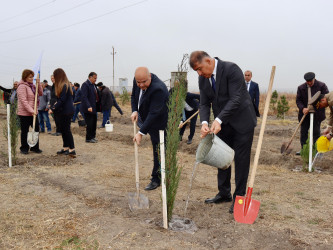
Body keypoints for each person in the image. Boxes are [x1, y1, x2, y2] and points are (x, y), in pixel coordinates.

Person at [189, 51, 257, 214]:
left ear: (208, 61)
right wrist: (205, 122)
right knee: (221, 157)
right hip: (223, 123)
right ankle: (224, 193)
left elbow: (236, 99)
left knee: (240, 160)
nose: (199, 73)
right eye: (196, 71)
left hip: (242, 122)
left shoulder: (231, 69)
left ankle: (239, 198)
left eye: (199, 69)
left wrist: (218, 120)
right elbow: (204, 103)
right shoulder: (203, 78)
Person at [131, 67, 169, 190]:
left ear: (150, 77)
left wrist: (141, 133)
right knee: (157, 150)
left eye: (144, 82)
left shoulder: (159, 89)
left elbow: (154, 113)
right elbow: (134, 96)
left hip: (161, 122)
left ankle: (157, 179)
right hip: (149, 118)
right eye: (138, 82)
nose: (141, 85)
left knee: (160, 150)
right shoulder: (137, 80)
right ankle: (159, 175)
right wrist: (135, 110)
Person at [296, 72, 329, 155]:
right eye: (307, 81)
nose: (309, 83)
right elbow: (298, 100)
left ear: (314, 79)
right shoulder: (301, 88)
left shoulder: (321, 86)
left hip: (317, 113)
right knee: (303, 132)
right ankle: (304, 149)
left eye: (310, 81)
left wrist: (315, 106)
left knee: (316, 132)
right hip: (305, 114)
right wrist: (302, 108)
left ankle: (315, 150)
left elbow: (326, 98)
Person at [16, 69, 43, 154]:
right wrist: (32, 111)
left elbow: (40, 93)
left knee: (36, 129)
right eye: (30, 77)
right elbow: (24, 101)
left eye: (32, 77)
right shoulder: (21, 86)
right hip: (24, 113)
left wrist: (39, 84)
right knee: (25, 131)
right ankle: (24, 148)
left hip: (33, 112)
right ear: (25, 77)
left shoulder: (33, 86)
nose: (32, 79)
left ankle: (34, 147)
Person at [51, 68, 76, 157]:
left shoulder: (65, 85)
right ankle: (66, 148)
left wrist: (53, 108)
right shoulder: (62, 85)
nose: (54, 77)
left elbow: (62, 100)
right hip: (63, 111)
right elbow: (60, 100)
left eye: (55, 75)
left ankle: (72, 149)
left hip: (67, 111)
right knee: (63, 130)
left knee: (67, 130)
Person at [80, 72, 99, 143]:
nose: (95, 79)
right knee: (90, 124)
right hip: (88, 108)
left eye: (96, 78)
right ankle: (88, 138)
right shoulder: (85, 85)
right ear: (90, 77)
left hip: (94, 108)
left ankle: (93, 137)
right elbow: (84, 97)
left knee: (94, 123)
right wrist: (88, 106)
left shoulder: (93, 85)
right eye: (94, 78)